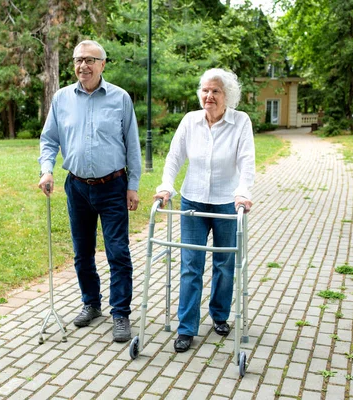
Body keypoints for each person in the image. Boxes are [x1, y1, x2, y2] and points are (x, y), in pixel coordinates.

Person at [38, 40, 142, 343]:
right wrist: (47, 169)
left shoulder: (120, 98)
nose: (82, 65)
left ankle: (120, 313)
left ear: (103, 64)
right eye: (78, 60)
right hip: (77, 186)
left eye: (89, 60)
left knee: (118, 252)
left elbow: (132, 145)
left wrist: (132, 186)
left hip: (113, 186)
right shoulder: (61, 98)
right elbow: (49, 140)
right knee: (82, 252)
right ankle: (91, 304)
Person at [153, 68, 255, 353]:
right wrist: (165, 186)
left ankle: (220, 315)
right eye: (205, 90)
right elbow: (174, 157)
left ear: (228, 96)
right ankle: (187, 327)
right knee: (191, 265)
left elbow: (247, 161)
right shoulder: (190, 121)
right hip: (193, 201)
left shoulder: (240, 122)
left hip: (226, 201)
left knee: (224, 264)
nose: (209, 96)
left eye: (216, 91)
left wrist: (243, 194)